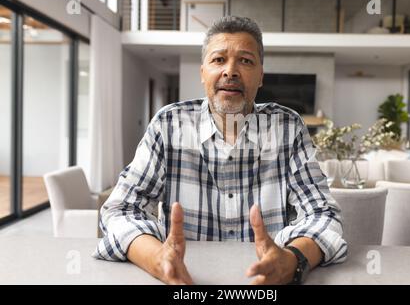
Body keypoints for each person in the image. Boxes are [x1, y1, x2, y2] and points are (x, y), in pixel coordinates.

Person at [93, 16, 347, 285]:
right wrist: (156, 258)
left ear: (261, 76)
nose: (231, 71)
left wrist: (293, 261)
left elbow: (322, 214)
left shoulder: (288, 128)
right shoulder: (169, 124)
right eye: (218, 60)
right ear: (203, 72)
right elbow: (121, 208)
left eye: (246, 61)